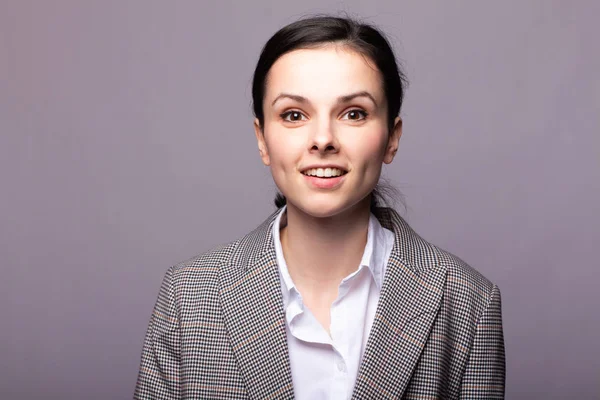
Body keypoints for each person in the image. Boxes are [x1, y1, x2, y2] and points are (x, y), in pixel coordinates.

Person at [134, 15, 506, 400]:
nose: (323, 139)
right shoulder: (189, 296)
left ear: (392, 138)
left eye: (354, 113)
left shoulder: (468, 302)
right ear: (262, 138)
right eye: (294, 115)